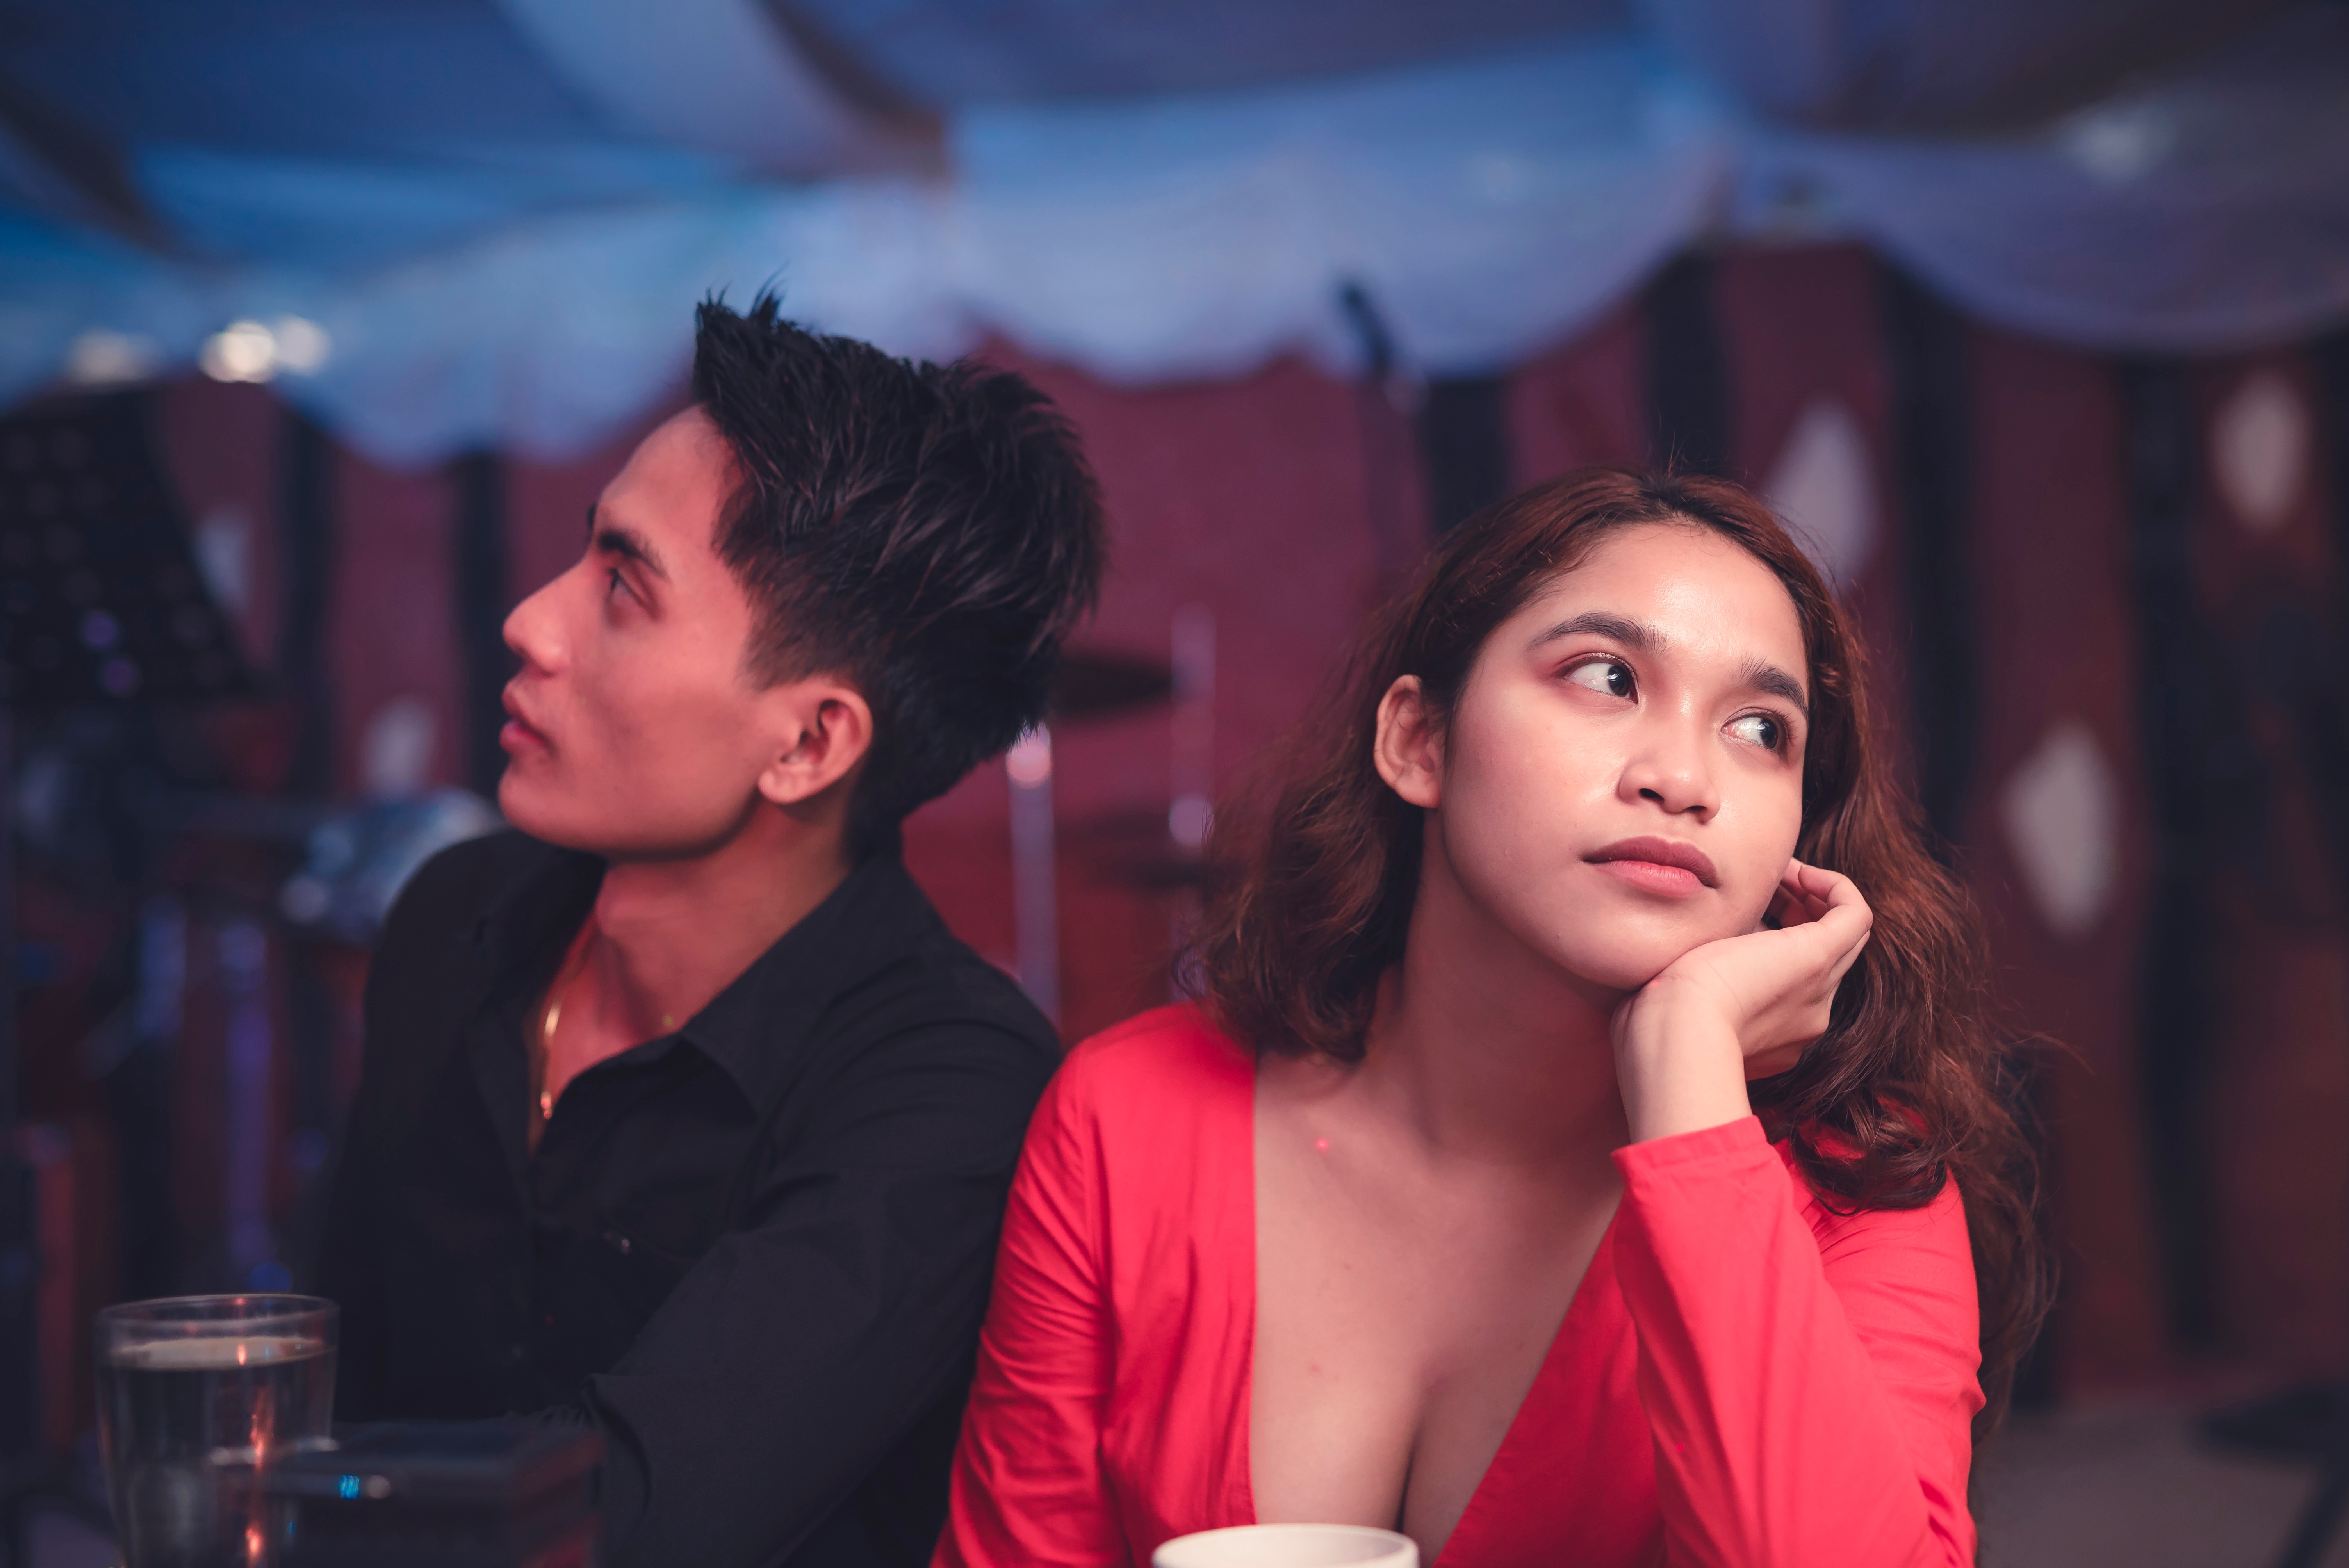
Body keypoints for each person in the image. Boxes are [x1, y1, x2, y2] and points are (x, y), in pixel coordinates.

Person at [934, 469, 2046, 1568]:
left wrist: (1691, 1088)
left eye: (1762, 731)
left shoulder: (1866, 1188)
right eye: (1608, 676)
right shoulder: (1128, 1117)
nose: (1685, 777)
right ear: (1420, 742)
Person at [319, 294, 1106, 1567]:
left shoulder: (948, 1091)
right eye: (584, 554)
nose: (530, 619)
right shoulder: (455, 919)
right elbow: (341, 1378)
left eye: (624, 587)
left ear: (807, 743)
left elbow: (636, 1524)